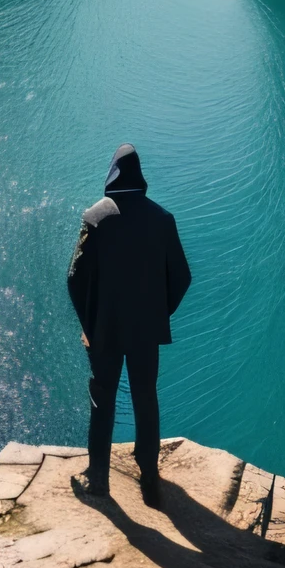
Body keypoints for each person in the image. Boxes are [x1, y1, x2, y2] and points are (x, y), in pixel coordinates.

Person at [66, 142, 192, 506]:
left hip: (104, 328)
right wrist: (157, 313)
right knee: (145, 397)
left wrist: (89, 324)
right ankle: (149, 478)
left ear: (112, 173)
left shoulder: (95, 217)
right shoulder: (162, 219)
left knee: (102, 398)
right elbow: (182, 277)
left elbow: (74, 279)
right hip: (145, 331)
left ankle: (99, 479)